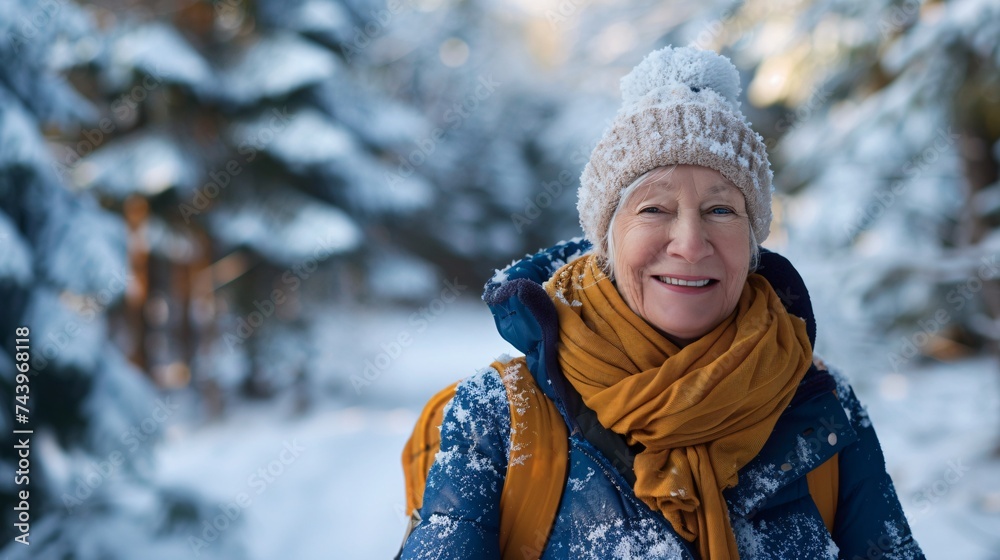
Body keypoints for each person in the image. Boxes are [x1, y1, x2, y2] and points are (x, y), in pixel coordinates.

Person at [399, 46, 924, 559]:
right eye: (654, 208)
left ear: (753, 240)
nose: (691, 243)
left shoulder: (819, 405)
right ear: (607, 239)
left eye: (721, 209)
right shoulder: (497, 417)